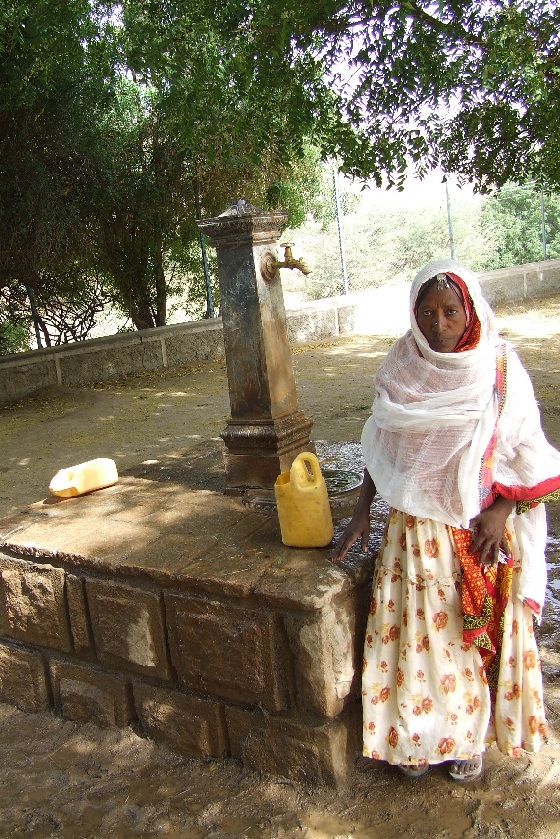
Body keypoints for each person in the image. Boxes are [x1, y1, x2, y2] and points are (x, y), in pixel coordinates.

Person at [334, 259, 560, 781]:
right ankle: (417, 736)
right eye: (427, 312)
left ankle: (468, 739)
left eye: (450, 311)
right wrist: (360, 510)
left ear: (471, 312)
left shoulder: (500, 369)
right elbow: (384, 449)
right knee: (415, 641)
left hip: (475, 532)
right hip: (411, 535)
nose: (438, 324)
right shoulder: (401, 367)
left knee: (467, 640)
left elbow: (527, 452)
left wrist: (502, 512)